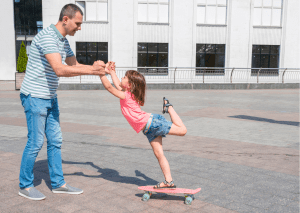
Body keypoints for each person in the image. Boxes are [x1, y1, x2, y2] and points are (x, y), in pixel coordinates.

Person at [18, 4, 108, 201]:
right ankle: (24, 185)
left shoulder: (63, 41)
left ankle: (58, 184)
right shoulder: (48, 37)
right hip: (34, 96)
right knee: (35, 142)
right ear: (65, 20)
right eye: (78, 23)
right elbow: (60, 69)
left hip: (50, 96)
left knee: (56, 140)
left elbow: (73, 65)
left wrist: (95, 67)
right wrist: (93, 71)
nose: (80, 27)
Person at [99, 62, 187, 189]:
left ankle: (169, 107)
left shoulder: (126, 95)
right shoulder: (128, 93)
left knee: (183, 130)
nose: (121, 79)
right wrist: (112, 72)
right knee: (159, 155)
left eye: (124, 77)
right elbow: (118, 84)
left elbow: (110, 87)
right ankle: (169, 181)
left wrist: (100, 73)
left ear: (129, 85)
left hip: (153, 123)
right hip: (149, 130)